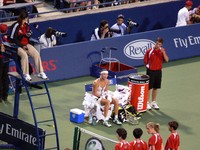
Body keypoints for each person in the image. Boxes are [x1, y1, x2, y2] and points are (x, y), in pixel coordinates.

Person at [9, 11, 48, 81]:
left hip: (26, 44)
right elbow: (12, 38)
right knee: (24, 55)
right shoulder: (16, 25)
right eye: (25, 19)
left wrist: (28, 35)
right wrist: (21, 45)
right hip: (17, 46)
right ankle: (25, 74)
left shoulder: (26, 25)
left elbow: (29, 34)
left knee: (36, 54)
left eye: (26, 19)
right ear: (22, 18)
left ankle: (40, 72)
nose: (26, 20)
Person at [144, 37, 169, 110]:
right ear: (155, 42)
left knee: (155, 88)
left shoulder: (162, 51)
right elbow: (145, 61)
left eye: (159, 44)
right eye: (157, 43)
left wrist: (163, 52)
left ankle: (153, 102)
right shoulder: (150, 51)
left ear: (161, 45)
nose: (158, 45)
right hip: (150, 71)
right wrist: (149, 67)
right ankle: (147, 103)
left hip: (158, 71)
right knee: (149, 88)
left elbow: (167, 60)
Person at [0, 23, 9, 103]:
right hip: (6, 60)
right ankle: (5, 96)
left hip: (1, 60)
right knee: (5, 78)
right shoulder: (7, 38)